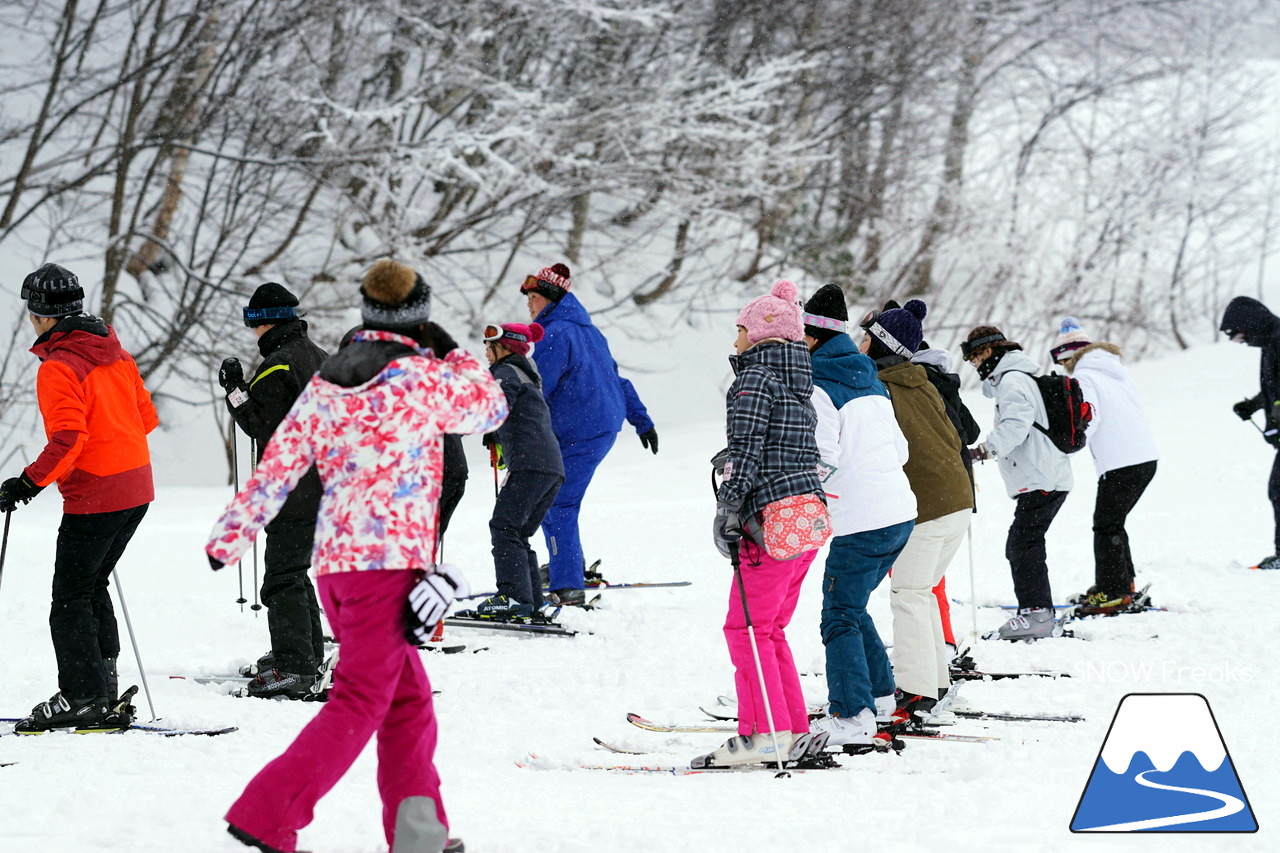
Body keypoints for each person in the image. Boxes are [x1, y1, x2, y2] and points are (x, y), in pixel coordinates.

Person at [207, 259, 506, 853]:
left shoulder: (331, 379)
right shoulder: (422, 375)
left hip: (340, 570)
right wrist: (442, 341)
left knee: (409, 704)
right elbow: (491, 406)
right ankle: (267, 814)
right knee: (362, 700)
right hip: (385, 572)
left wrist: (231, 537)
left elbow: (281, 457)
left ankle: (419, 836)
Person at [0, 263, 158, 733]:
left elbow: (69, 438)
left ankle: (83, 696)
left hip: (98, 494)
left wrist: (26, 483)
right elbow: (145, 418)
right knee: (90, 587)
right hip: (137, 488)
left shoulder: (59, 366)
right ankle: (101, 686)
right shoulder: (114, 351)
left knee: (69, 597)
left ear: (41, 316)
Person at [702, 279, 828, 767]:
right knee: (768, 628)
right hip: (806, 518)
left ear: (759, 334)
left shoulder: (753, 380)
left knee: (745, 629)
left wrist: (728, 507)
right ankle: (790, 727)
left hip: (769, 521)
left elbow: (750, 453)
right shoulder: (800, 383)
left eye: (739, 329)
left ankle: (763, 732)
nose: (734, 340)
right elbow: (782, 446)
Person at [801, 285, 915, 747]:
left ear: (810, 339)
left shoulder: (818, 386)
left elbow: (821, 459)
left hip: (862, 520)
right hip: (899, 513)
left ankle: (852, 715)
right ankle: (881, 696)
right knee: (852, 605)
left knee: (838, 615)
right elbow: (901, 450)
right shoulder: (870, 379)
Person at [860, 300, 973, 721]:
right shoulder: (922, 380)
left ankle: (915, 692)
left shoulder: (883, 388)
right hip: (956, 502)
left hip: (929, 506)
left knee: (907, 594)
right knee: (920, 592)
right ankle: (934, 683)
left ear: (881, 345)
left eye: (867, 338)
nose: (861, 344)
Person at [521, 263, 657, 605]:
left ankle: (567, 585)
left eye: (532, 298)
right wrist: (642, 420)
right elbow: (617, 380)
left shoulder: (555, 333)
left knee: (555, 501)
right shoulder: (590, 331)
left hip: (577, 430)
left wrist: (512, 421)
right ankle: (565, 563)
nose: (529, 306)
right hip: (599, 426)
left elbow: (540, 386)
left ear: (547, 300)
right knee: (557, 499)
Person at [218, 282, 329, 698]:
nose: (252, 331)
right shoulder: (319, 357)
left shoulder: (278, 365)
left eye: (252, 322)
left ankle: (295, 667)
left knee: (281, 577)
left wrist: (234, 390)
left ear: (264, 322)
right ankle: (306, 654)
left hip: (295, 486)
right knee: (295, 572)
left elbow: (258, 424)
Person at [962, 325, 1072, 640]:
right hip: (1045, 474)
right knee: (1025, 543)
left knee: (1023, 544)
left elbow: (1016, 424)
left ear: (988, 351)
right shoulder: (1019, 377)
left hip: (1041, 476)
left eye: (975, 357)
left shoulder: (1012, 380)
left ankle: (1037, 615)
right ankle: (1039, 612)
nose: (974, 364)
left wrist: (984, 450)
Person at [1050, 317, 1158, 611]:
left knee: (1105, 525)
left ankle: (1113, 591)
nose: (1063, 368)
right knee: (1114, 522)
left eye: (1062, 361)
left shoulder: (1085, 376)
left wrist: (1068, 446)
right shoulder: (1115, 371)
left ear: (1069, 355)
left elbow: (1089, 415)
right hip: (1144, 458)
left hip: (1121, 461)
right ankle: (1123, 584)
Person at [472, 322, 565, 617]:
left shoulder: (506, 372)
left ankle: (513, 596)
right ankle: (530, 600)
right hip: (549, 467)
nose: (486, 352)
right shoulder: (526, 374)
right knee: (517, 532)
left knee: (504, 526)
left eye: (490, 346)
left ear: (506, 347)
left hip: (530, 464)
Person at [1220, 296, 1280, 570]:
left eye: (1241, 336)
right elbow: (1273, 389)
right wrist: (1253, 406)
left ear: (1250, 323)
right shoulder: (1271, 343)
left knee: (1278, 489)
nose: (1243, 342)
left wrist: (1277, 423)